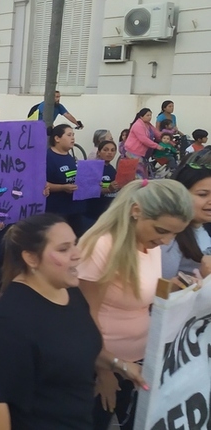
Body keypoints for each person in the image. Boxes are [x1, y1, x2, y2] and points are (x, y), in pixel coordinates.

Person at [0, 214, 145, 430]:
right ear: (31, 258)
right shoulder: (9, 323)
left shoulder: (70, 292)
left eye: (75, 244)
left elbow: (76, 350)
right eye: (64, 249)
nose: (78, 254)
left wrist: (120, 366)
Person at [78, 179, 193, 429]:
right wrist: (105, 370)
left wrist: (172, 286)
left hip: (136, 361)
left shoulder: (146, 241)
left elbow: (135, 291)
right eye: (162, 230)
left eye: (175, 233)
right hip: (101, 365)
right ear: (136, 211)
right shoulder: (101, 246)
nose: (166, 241)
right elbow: (85, 317)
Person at [162, 149, 211, 279]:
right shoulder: (168, 240)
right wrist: (204, 278)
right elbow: (156, 292)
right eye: (203, 194)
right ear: (181, 194)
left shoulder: (205, 226)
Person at [45, 124, 86, 236]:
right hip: (57, 211)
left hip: (74, 210)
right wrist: (62, 188)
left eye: (73, 135)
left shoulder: (70, 157)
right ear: (57, 138)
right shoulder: (48, 157)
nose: (72, 138)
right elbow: (42, 184)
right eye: (69, 135)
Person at [85, 140, 120, 225]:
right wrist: (108, 189)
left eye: (112, 150)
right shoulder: (92, 168)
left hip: (108, 213)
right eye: (106, 150)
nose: (109, 153)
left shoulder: (112, 169)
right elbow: (88, 190)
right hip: (93, 214)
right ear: (98, 152)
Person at [124, 108, 161, 179]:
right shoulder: (138, 125)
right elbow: (143, 139)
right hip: (134, 152)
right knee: (139, 173)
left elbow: (157, 134)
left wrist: (167, 138)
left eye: (150, 115)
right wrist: (156, 146)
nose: (150, 117)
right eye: (147, 115)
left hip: (143, 154)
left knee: (144, 173)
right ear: (141, 116)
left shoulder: (149, 125)